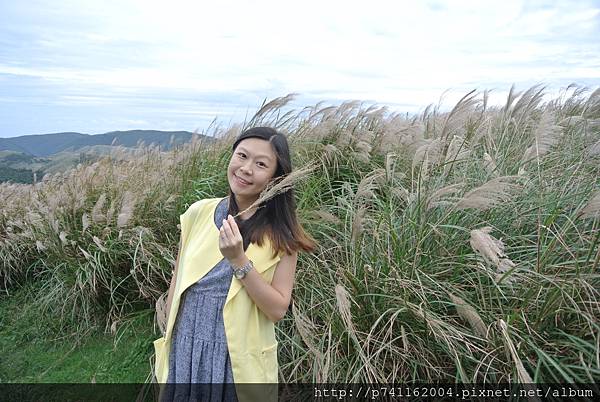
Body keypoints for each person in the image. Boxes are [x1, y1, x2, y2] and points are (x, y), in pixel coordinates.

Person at [153, 126, 317, 402]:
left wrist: (238, 260)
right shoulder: (199, 212)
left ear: (275, 178)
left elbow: (277, 309)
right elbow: (178, 278)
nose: (246, 168)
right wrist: (171, 331)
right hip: (186, 347)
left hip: (235, 358)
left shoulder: (282, 236)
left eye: (261, 164)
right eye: (242, 156)